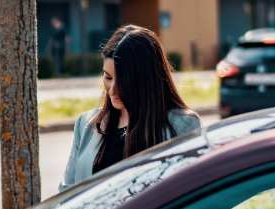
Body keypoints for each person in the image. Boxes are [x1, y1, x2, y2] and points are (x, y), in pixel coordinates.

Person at [59, 25, 201, 192]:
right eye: (108, 77)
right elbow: (66, 194)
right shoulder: (86, 124)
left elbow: (193, 195)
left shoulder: (183, 125)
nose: (111, 90)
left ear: (145, 79)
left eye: (122, 81)